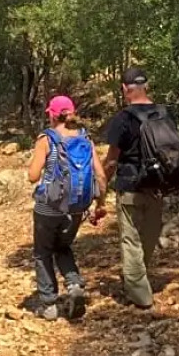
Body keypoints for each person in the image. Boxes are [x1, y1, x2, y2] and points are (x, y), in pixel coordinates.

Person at [102, 66, 179, 309]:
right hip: (158, 186)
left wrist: (103, 183)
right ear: (146, 86)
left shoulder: (124, 119)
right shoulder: (164, 114)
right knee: (148, 237)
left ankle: (139, 295)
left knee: (131, 240)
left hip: (130, 186)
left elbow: (113, 159)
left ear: (125, 89)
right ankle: (138, 277)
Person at [27, 95, 107, 321]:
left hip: (48, 208)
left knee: (43, 252)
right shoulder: (85, 138)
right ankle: (73, 284)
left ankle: (49, 303)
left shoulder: (47, 139)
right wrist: (100, 204)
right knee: (63, 247)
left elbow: (33, 176)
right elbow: (100, 175)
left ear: (52, 115)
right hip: (76, 208)